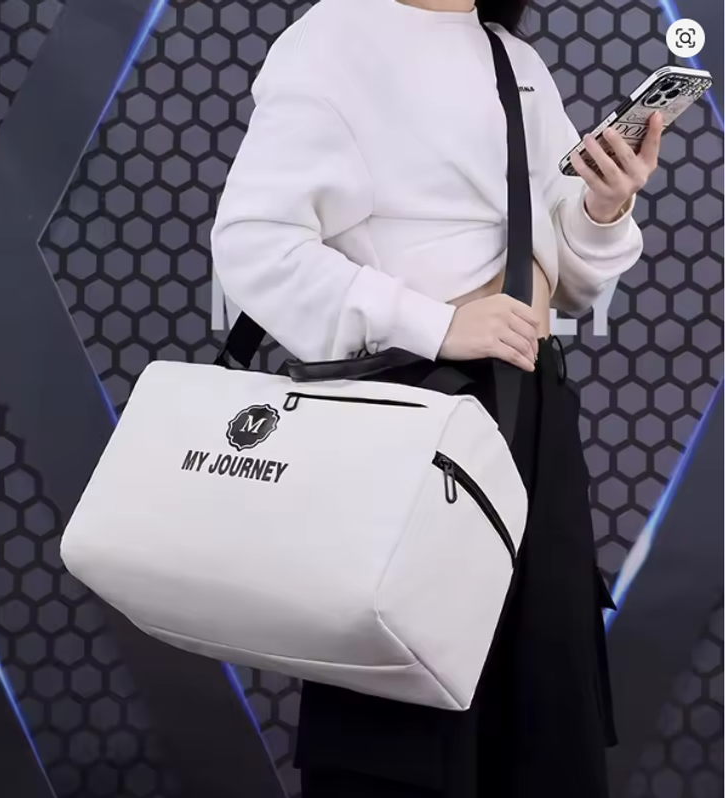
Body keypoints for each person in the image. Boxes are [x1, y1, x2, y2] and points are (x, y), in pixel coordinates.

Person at [211, 0, 662, 795]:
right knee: (406, 735)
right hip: (412, 424)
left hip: (533, 424)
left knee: (543, 725)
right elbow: (255, 244)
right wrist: (436, 324)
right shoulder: (334, 36)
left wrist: (604, 206)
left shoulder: (513, 59)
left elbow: (571, 269)